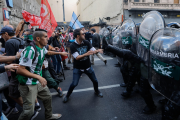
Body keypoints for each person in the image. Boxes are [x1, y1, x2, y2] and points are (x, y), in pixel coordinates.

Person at [17, 29, 68, 120]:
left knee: (48, 97)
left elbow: (47, 52)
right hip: (28, 84)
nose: (48, 39)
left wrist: (60, 53)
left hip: (37, 82)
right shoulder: (30, 50)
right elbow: (20, 70)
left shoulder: (41, 48)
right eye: (45, 37)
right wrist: (39, 77)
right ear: (38, 38)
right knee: (29, 112)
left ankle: (49, 116)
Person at [63, 28, 104, 103]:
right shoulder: (73, 46)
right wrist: (86, 54)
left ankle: (96, 91)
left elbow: (92, 50)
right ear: (78, 36)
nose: (84, 34)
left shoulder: (86, 42)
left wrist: (97, 50)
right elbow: (77, 57)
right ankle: (67, 95)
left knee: (95, 81)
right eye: (82, 34)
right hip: (78, 68)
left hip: (88, 67)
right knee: (74, 83)